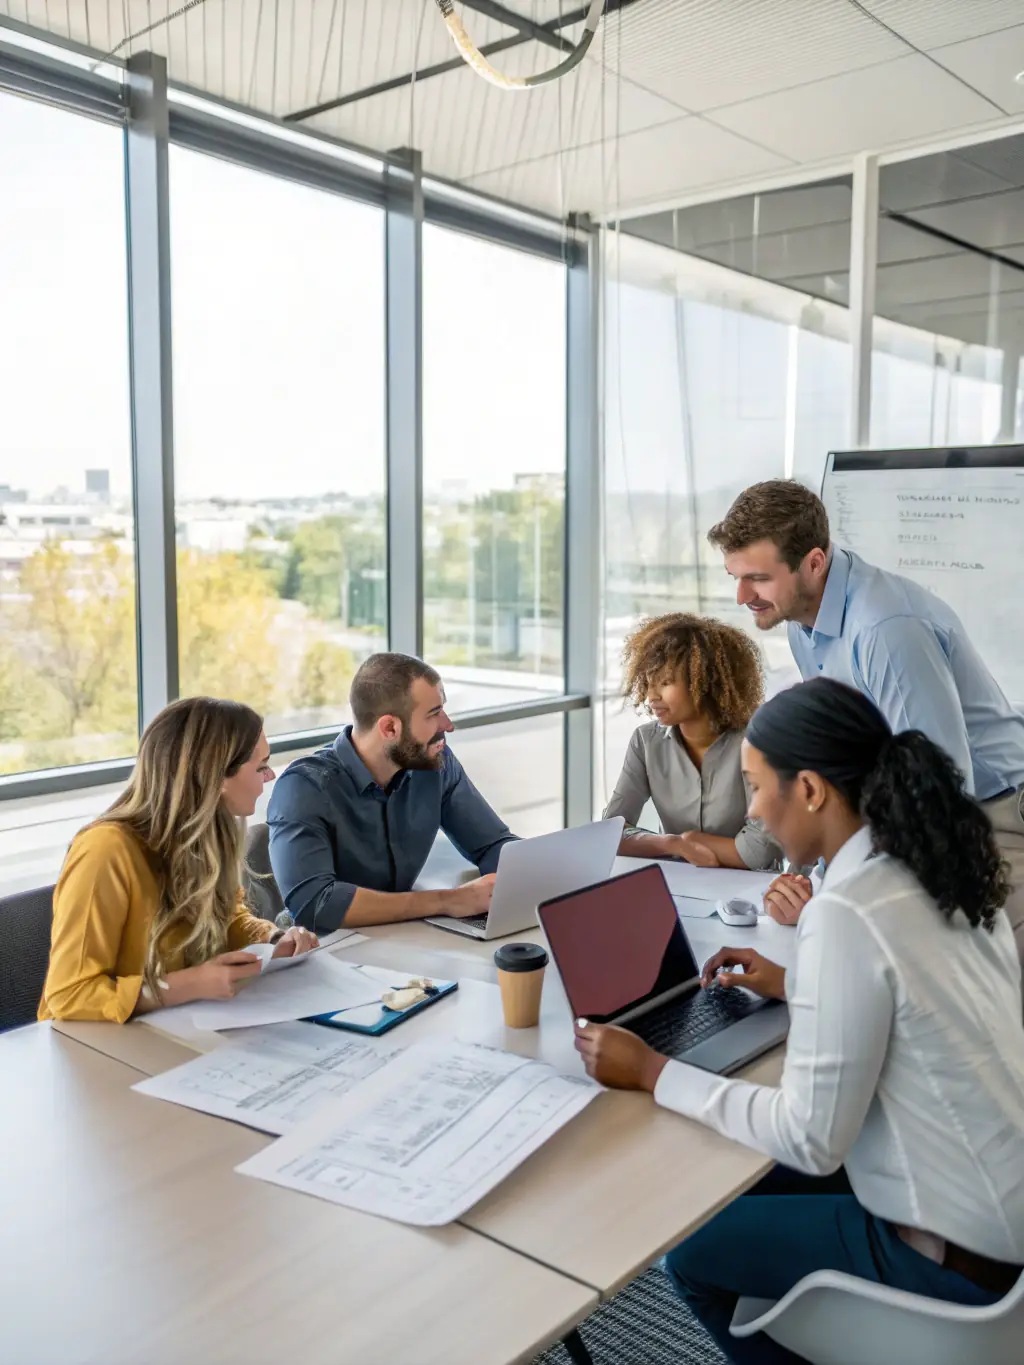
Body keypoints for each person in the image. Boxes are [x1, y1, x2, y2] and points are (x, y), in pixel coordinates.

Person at [574, 678, 1024, 1364]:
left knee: (690, 1254)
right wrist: (795, 982)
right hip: (999, 1207)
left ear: (810, 788)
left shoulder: (845, 911)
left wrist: (652, 1068)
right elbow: (920, 998)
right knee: (735, 1172)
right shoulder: (938, 861)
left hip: (954, 1258)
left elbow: (812, 1140)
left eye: (756, 787)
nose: (754, 809)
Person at [708, 479, 1024, 951]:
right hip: (917, 822)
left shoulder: (885, 630)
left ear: (814, 562)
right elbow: (846, 758)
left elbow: (940, 785)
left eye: (757, 578)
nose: (741, 595)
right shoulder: (802, 620)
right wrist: (819, 878)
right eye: (735, 576)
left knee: (986, 1009)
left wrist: (845, 898)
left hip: (988, 822)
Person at [39, 697, 317, 1024]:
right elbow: (69, 995)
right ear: (216, 775)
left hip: (178, 1029)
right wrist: (187, 985)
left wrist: (272, 940)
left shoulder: (213, 835)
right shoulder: (104, 850)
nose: (269, 776)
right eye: (260, 766)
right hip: (93, 1048)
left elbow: (228, 919)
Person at [268, 652, 517, 932]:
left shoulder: (436, 765)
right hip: (324, 948)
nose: (448, 725)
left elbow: (492, 845)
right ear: (389, 727)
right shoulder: (304, 787)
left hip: (400, 938)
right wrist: (448, 901)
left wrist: (535, 874)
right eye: (434, 714)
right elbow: (315, 905)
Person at [604, 613, 780, 870]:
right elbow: (611, 831)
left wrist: (693, 841)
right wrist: (672, 844)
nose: (652, 695)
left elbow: (759, 851)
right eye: (649, 682)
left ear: (706, 682)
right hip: (680, 883)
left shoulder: (756, 742)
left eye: (665, 682)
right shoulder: (646, 742)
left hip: (751, 893)